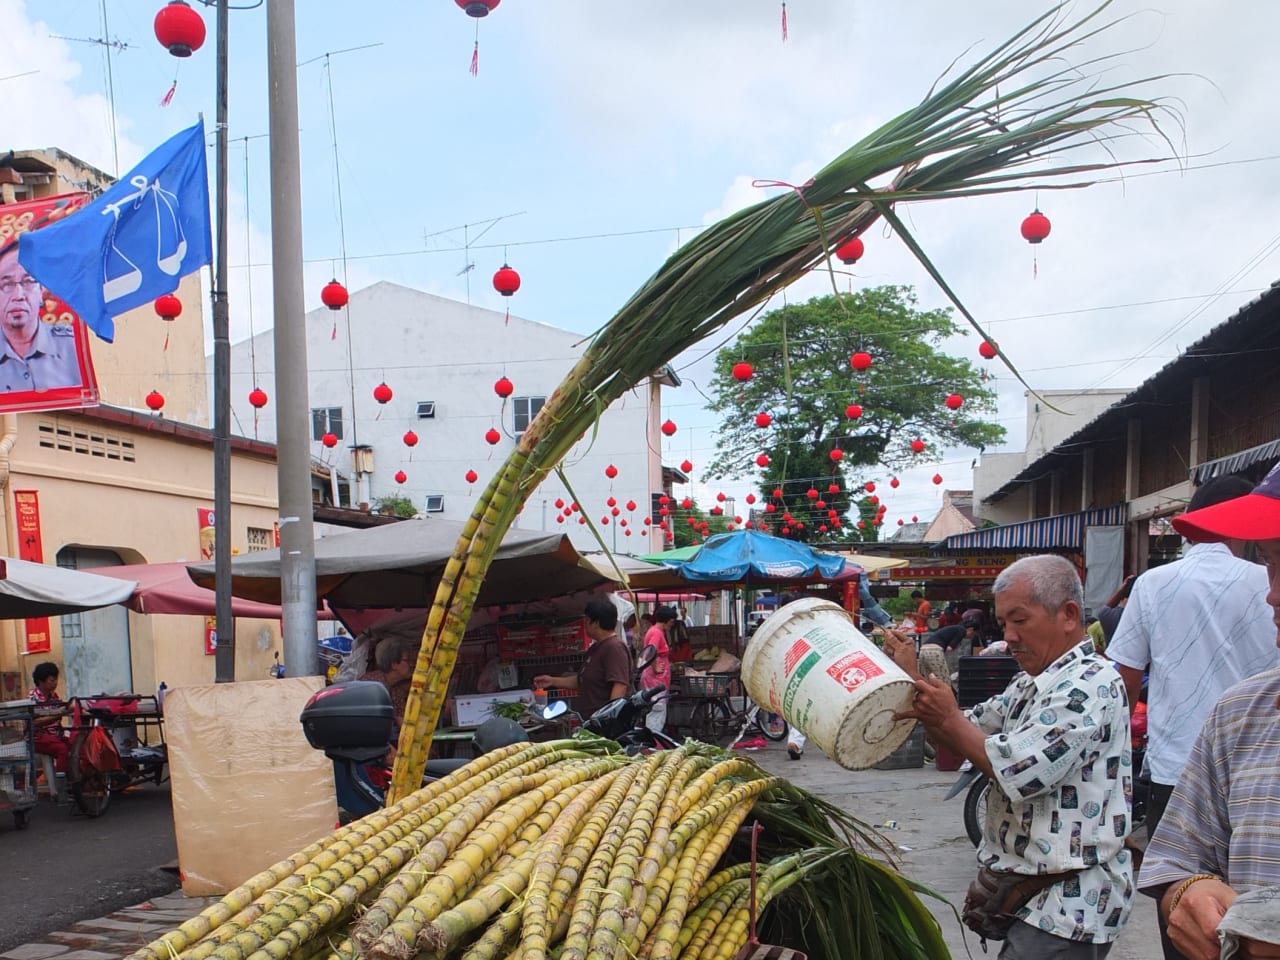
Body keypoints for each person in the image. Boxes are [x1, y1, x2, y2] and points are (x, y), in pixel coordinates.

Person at [886, 555, 1134, 957]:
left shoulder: (1089, 684)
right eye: (1003, 623)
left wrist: (948, 717)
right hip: (1031, 898)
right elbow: (966, 730)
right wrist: (913, 680)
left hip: (1067, 904)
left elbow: (1020, 769)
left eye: (1020, 620)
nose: (1009, 636)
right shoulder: (1031, 682)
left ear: (1068, 615)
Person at [1136, 462, 1280, 960]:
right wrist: (1188, 890)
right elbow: (1174, 862)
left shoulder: (1153, 584)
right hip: (1200, 769)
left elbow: (1125, 679)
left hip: (1169, 762)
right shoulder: (1243, 711)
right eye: (1272, 564)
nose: (1272, 594)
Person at [1107, 476, 1277, 846]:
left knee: (1179, 890)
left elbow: (1127, 679)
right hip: (1259, 768)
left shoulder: (1153, 583)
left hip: (1177, 766)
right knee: (1254, 890)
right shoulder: (1266, 581)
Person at [0, 243, 82, 392]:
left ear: (41, 292)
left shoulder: (73, 348)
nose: (18, 296)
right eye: (7, 284)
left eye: (28, 282)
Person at [534, 597, 632, 718]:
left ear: (595, 623)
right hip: (589, 718)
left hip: (602, 722)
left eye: (587, 620)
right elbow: (582, 680)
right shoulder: (595, 647)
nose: (584, 625)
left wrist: (609, 718)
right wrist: (552, 681)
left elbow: (620, 685)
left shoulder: (614, 647)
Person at [359, 635, 418, 726]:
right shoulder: (373, 686)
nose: (412, 664)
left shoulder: (396, 688)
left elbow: (401, 718)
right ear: (394, 664)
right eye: (407, 660)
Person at [27, 661, 70, 773]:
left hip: (55, 735)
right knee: (62, 749)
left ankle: (73, 780)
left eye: (56, 679)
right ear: (41, 681)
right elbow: (34, 723)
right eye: (52, 680)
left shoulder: (54, 696)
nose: (55, 683)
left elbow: (62, 711)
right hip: (37, 738)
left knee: (75, 747)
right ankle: (61, 784)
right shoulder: (32, 699)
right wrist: (59, 714)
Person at [639, 606, 674, 733]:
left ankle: (653, 741)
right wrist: (655, 667)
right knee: (657, 711)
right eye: (671, 620)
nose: (672, 623)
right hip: (655, 679)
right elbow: (651, 649)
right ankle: (654, 742)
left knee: (655, 710)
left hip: (655, 678)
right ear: (666, 620)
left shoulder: (655, 631)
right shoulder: (656, 632)